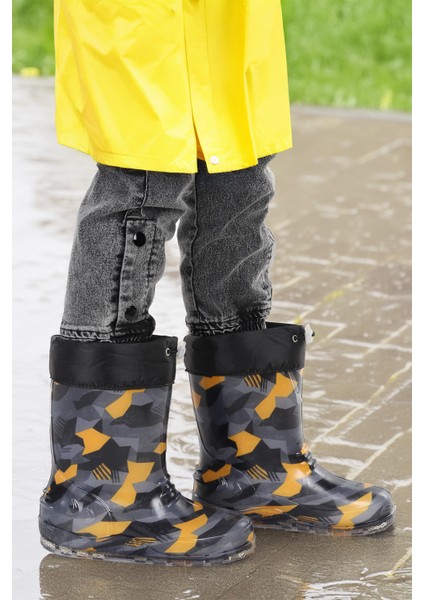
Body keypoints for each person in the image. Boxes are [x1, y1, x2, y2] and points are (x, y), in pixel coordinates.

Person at [39, 0, 395, 566]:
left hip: (229, 18)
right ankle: (100, 497)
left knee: (238, 177)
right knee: (141, 182)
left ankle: (253, 470)